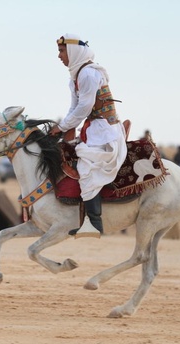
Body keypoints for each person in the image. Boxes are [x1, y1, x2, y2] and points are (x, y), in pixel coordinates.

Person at [49, 33, 128, 239]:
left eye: (62, 50)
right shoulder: (76, 77)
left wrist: (62, 126)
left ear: (74, 51)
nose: (59, 56)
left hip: (104, 132)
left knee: (86, 167)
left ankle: (94, 223)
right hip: (93, 129)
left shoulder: (88, 75)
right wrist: (61, 127)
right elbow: (73, 108)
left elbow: (84, 107)